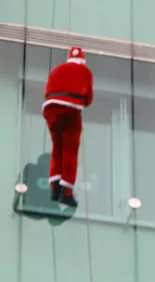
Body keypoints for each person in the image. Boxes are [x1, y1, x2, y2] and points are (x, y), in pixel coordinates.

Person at [43, 46, 93, 208]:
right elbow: (88, 99)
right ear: (82, 60)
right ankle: (67, 193)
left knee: (57, 147)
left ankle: (54, 187)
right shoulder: (85, 71)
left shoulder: (57, 70)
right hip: (71, 108)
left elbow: (48, 91)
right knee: (70, 150)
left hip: (50, 108)